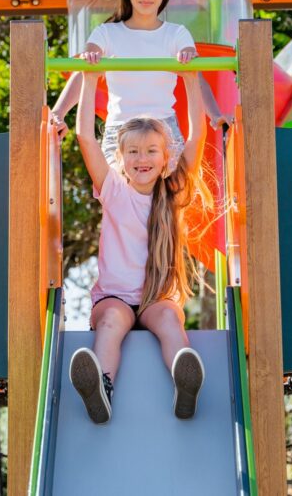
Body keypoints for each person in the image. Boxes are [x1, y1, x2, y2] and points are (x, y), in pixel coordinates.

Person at [68, 64, 208, 424]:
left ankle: (184, 380)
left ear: (165, 159)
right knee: (112, 322)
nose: (141, 159)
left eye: (150, 151)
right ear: (122, 158)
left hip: (155, 299)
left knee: (168, 320)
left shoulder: (172, 193)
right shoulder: (113, 191)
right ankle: (101, 387)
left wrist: (190, 80)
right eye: (133, 152)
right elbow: (85, 136)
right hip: (114, 298)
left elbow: (197, 138)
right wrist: (88, 78)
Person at [49, 0, 230, 168]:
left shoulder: (176, 34)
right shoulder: (107, 33)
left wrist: (216, 114)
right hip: (120, 129)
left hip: (163, 129)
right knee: (121, 194)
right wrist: (57, 113)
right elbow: (84, 71)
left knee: (167, 197)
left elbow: (196, 76)